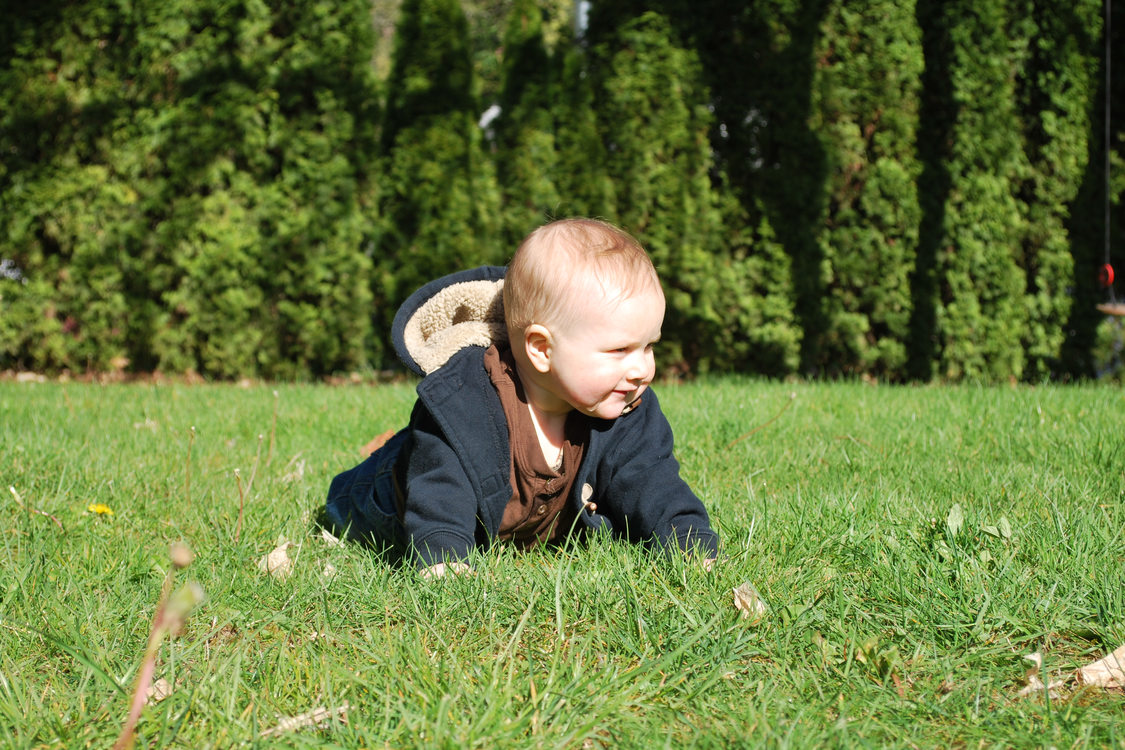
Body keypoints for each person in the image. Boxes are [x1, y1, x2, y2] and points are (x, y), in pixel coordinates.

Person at [323, 218, 718, 578]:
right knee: (350, 505)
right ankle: (345, 496)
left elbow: (654, 479)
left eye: (649, 346)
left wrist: (689, 541)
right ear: (542, 349)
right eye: (619, 351)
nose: (642, 369)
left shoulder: (625, 405)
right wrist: (442, 559)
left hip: (496, 517)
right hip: (389, 500)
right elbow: (438, 489)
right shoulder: (467, 404)